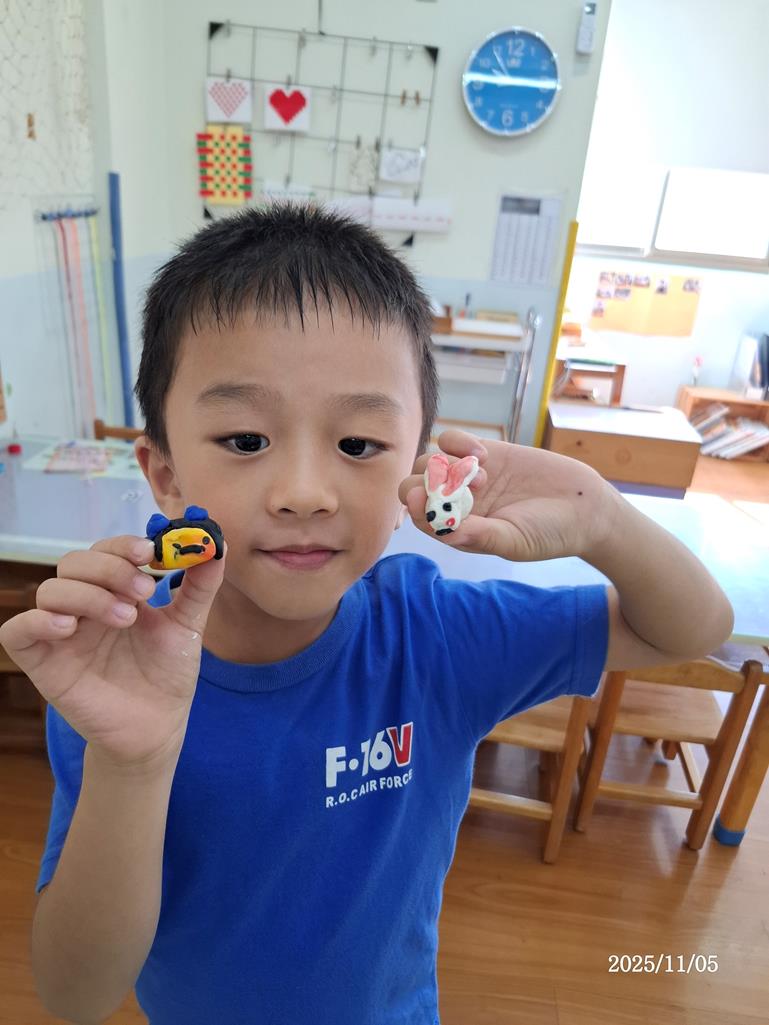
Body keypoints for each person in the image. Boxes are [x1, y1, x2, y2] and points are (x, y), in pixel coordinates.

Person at [0, 204, 734, 1025]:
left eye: (357, 445)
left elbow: (694, 628)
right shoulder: (121, 665)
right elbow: (74, 995)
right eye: (245, 440)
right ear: (165, 475)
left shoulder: (436, 637)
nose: (304, 493)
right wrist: (131, 766)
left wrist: (599, 514)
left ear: (415, 469)